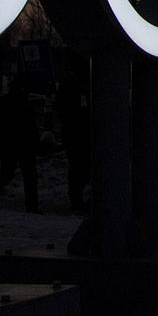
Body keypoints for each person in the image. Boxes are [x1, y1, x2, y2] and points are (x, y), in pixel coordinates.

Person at [0, 73, 40, 212]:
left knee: (8, 173)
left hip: (10, 143)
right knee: (29, 175)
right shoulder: (25, 103)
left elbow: (0, 124)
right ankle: (32, 206)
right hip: (22, 143)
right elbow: (30, 126)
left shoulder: (6, 102)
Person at [52, 52, 92, 214]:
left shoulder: (76, 84)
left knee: (81, 167)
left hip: (77, 131)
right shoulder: (77, 84)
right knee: (80, 167)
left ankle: (78, 199)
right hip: (78, 131)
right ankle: (77, 200)